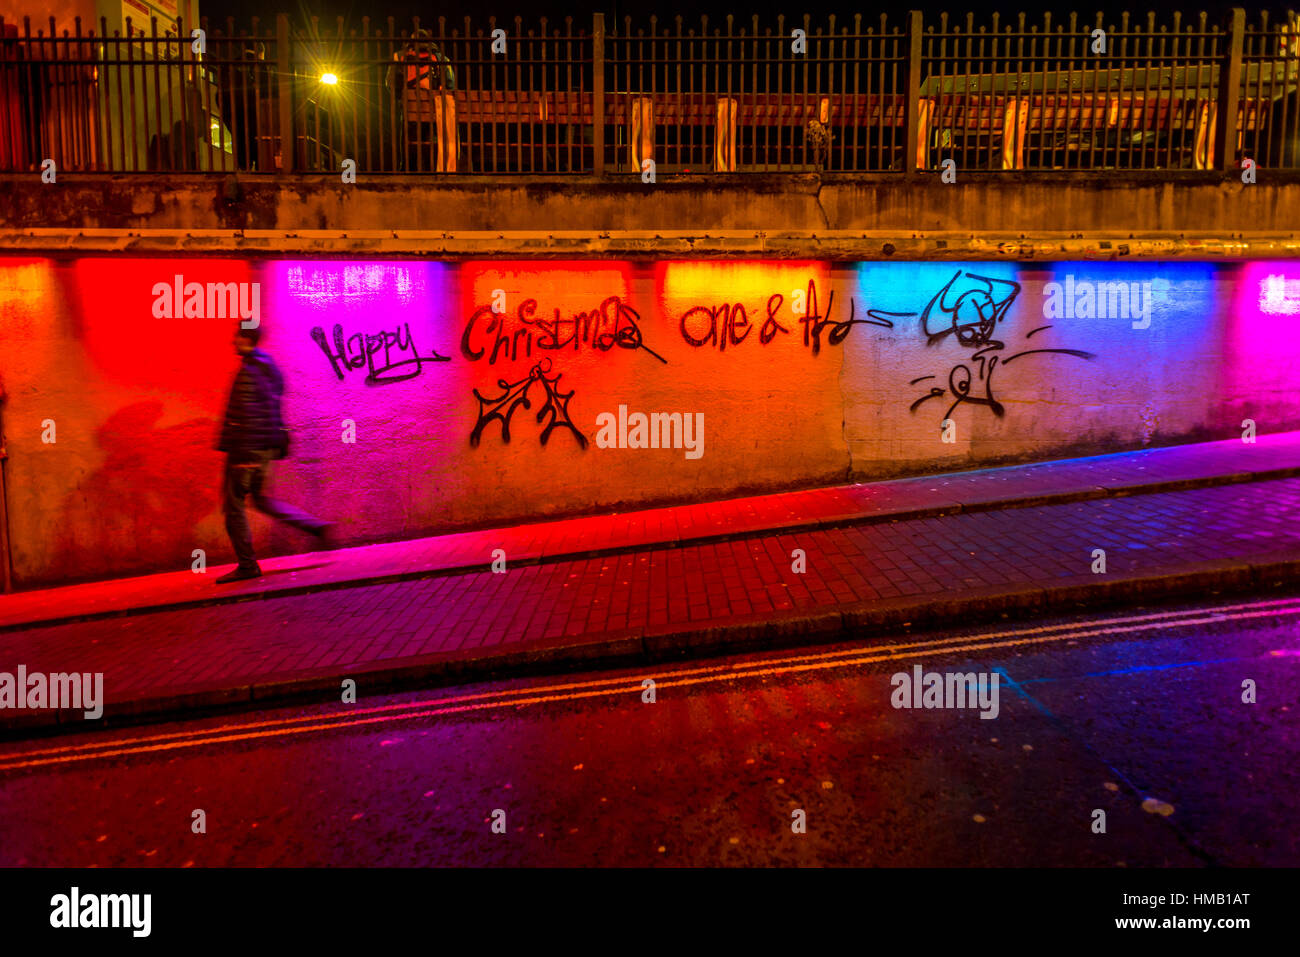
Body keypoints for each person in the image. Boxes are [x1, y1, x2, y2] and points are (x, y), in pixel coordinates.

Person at [216, 323, 332, 583]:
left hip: (247, 450)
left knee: (234, 507)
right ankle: (315, 527)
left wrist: (244, 457)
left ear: (246, 338)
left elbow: (248, 416)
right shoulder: (268, 368)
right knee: (261, 500)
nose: (233, 340)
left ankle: (247, 566)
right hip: (265, 448)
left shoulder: (250, 371)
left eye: (236, 335)